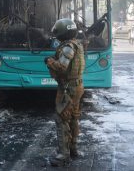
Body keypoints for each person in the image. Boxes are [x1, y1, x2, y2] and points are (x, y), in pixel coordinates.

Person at [44, 18, 85, 167]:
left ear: (62, 33)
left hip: (68, 88)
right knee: (74, 117)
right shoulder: (77, 44)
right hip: (77, 86)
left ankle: (63, 154)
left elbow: (61, 67)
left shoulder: (68, 47)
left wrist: (49, 61)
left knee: (61, 119)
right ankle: (73, 148)